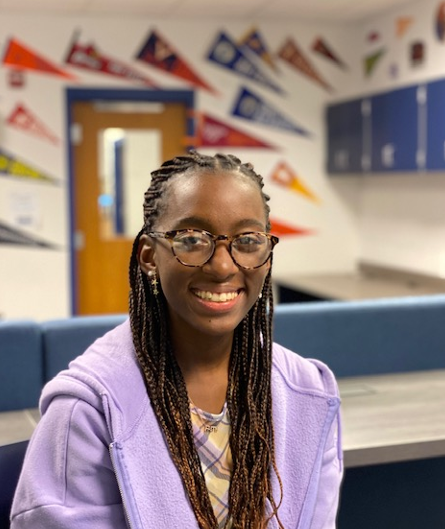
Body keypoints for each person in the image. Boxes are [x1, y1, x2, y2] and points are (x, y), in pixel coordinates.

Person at [10, 151, 342, 528]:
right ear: (149, 256)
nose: (222, 266)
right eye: (191, 239)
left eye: (247, 239)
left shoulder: (308, 394)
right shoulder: (88, 412)